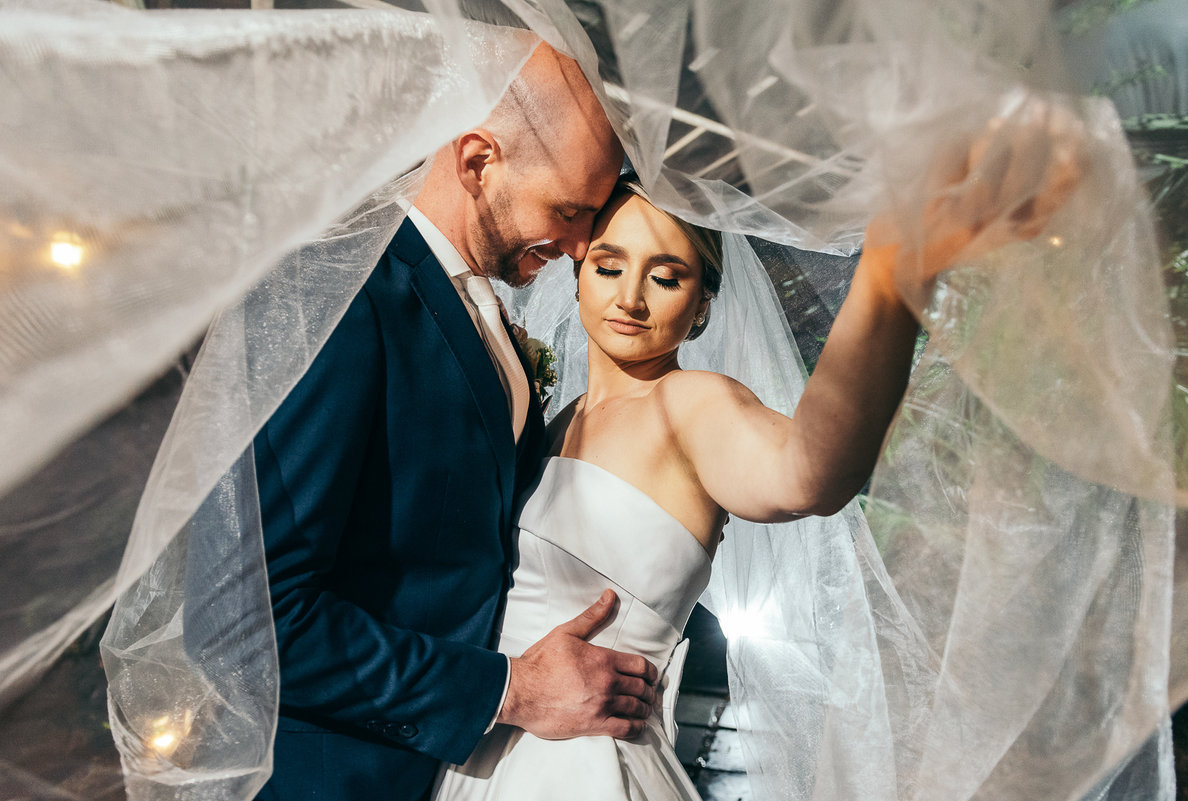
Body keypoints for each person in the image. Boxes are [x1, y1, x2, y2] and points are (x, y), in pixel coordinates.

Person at [435, 154, 1078, 800]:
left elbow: (809, 472)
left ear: (703, 306)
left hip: (582, 771)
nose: (630, 298)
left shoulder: (690, 406)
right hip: (484, 744)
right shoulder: (552, 419)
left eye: (666, 277)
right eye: (608, 267)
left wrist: (890, 273)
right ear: (577, 275)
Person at [251, 43, 659, 801]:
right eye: (569, 211)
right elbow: (256, 621)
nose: (580, 246)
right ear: (478, 161)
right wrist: (511, 690)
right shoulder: (345, 296)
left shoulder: (482, 310)